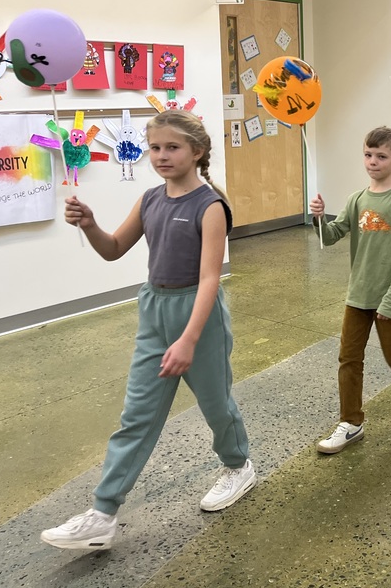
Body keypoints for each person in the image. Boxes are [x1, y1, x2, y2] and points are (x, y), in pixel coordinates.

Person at [42, 110, 254, 551]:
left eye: (172, 147)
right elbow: (113, 249)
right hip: (154, 311)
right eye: (154, 147)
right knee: (136, 416)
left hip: (199, 317)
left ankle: (238, 466)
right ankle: (102, 514)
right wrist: (90, 224)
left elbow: (210, 279)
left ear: (197, 151)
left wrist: (189, 340)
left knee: (216, 405)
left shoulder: (210, 206)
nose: (161, 155)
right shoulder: (149, 199)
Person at [310, 127, 391, 454]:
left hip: (390, 297)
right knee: (348, 358)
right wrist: (318, 219)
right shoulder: (356, 199)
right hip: (358, 294)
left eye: (381, 156)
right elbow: (331, 236)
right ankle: (351, 422)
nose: (372, 161)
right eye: (368, 155)